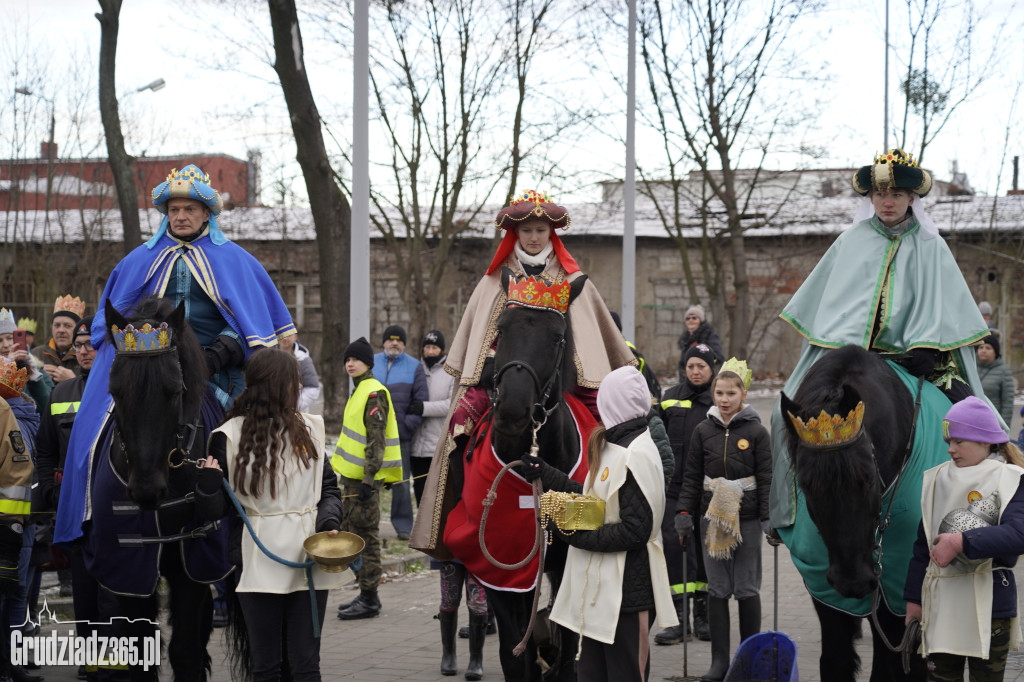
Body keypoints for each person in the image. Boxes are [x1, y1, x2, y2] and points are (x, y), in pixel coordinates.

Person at [55, 163, 297, 547]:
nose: (181, 217)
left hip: (219, 372)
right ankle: (90, 519)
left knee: (252, 440)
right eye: (173, 210)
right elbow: (113, 321)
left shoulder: (236, 261)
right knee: (94, 431)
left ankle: (251, 530)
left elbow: (257, 324)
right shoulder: (137, 261)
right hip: (152, 368)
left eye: (189, 210)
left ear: (206, 214)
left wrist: (220, 352)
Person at [771, 149, 995, 531]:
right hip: (845, 356)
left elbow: (945, 306)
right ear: (870, 199)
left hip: (917, 359)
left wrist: (928, 343)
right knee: (781, 416)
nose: (887, 202)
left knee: (972, 417)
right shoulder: (849, 243)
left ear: (912, 199)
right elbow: (832, 308)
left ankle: (982, 509)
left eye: (896, 195)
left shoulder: (932, 246)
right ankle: (783, 514)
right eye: (879, 195)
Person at [410, 189, 635, 557]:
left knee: (607, 432)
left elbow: (591, 346)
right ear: (515, 234)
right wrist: (489, 368)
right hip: (500, 378)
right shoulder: (492, 281)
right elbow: (480, 342)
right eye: (526, 230)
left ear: (551, 234)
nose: (533, 237)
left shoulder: (575, 280)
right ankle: (462, 516)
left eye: (540, 231)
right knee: (459, 426)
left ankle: (608, 513)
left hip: (562, 382)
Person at [521, 366, 676, 682]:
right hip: (602, 590)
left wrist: (576, 534)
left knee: (624, 675)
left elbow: (636, 529)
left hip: (628, 593)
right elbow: (598, 498)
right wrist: (547, 475)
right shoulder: (615, 444)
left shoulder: (637, 453)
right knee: (592, 674)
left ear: (613, 403)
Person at [203, 348, 343, 682]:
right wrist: (207, 486)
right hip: (257, 557)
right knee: (265, 665)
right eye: (294, 381)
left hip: (310, 556)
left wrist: (329, 521)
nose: (299, 388)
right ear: (277, 386)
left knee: (306, 665)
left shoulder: (311, 428)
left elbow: (330, 491)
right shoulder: (227, 436)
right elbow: (215, 512)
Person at [904, 397, 1024, 680]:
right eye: (949, 441)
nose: (950, 449)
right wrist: (913, 600)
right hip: (942, 605)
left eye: (959, 441)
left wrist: (960, 542)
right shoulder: (936, 479)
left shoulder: (1011, 478)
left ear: (985, 441)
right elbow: (922, 547)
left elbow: (1018, 534)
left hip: (992, 606)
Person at [675, 359, 772, 682]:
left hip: (745, 519)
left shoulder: (757, 432)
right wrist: (684, 513)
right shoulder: (703, 431)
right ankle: (719, 661)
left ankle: (749, 659)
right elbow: (691, 476)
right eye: (719, 392)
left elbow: (767, 477)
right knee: (717, 588)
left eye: (731, 392)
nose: (724, 399)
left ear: (743, 394)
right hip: (711, 517)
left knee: (745, 587)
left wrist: (768, 518)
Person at [333, 337, 403, 620]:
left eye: (356, 359)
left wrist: (368, 480)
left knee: (367, 539)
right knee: (355, 535)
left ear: (368, 363)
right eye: (347, 359)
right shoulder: (360, 389)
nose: (350, 363)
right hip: (353, 480)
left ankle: (371, 599)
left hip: (363, 482)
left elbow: (377, 441)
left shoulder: (373, 393)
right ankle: (364, 593)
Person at [655, 343, 717, 645]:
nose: (695, 371)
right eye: (691, 366)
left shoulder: (717, 403)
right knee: (674, 550)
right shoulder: (669, 399)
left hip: (706, 492)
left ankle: (702, 618)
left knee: (704, 554)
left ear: (711, 369)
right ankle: (676, 621)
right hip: (673, 490)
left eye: (701, 367)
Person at [0, 356, 40, 682]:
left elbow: (17, 473)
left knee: (11, 594)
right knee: (16, 593)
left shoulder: (8, 416)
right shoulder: (21, 414)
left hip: (11, 524)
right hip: (18, 523)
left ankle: (10, 667)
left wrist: (9, 527)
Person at [374, 325, 428, 540]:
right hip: (373, 436)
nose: (394, 343)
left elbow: (420, 400)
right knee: (371, 480)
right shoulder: (371, 362)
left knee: (401, 484)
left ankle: (404, 526)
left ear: (404, 344)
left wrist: (405, 426)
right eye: (390, 340)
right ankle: (369, 523)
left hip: (400, 436)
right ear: (384, 342)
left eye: (398, 340)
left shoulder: (415, 366)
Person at [0, 309, 52, 409]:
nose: (6, 345)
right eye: (0, 340)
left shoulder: (39, 372)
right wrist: (7, 370)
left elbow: (47, 407)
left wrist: (33, 376)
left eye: (10, 338)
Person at [31, 295, 84, 385]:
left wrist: (73, 381)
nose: (61, 330)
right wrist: (36, 375)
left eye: (67, 326)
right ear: (52, 328)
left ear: (77, 329)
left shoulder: (85, 355)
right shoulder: (35, 355)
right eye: (57, 325)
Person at [676, 305, 723, 381]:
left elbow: (718, 357)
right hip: (687, 380)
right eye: (687, 318)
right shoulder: (685, 339)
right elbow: (683, 362)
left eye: (694, 318)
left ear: (700, 320)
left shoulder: (709, 336)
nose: (690, 320)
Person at [279, 330, 321, 413]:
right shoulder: (268, 357)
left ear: (295, 337)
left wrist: (292, 405)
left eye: (288, 334)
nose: (285, 338)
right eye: (281, 334)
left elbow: (313, 389)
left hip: (296, 414)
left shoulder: (304, 359)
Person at [977, 335, 1014, 426]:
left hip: (992, 421)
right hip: (972, 419)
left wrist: (1004, 426)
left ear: (995, 352)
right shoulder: (970, 368)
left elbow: (1007, 402)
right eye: (981, 347)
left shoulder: (1004, 371)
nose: (983, 350)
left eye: (988, 348)